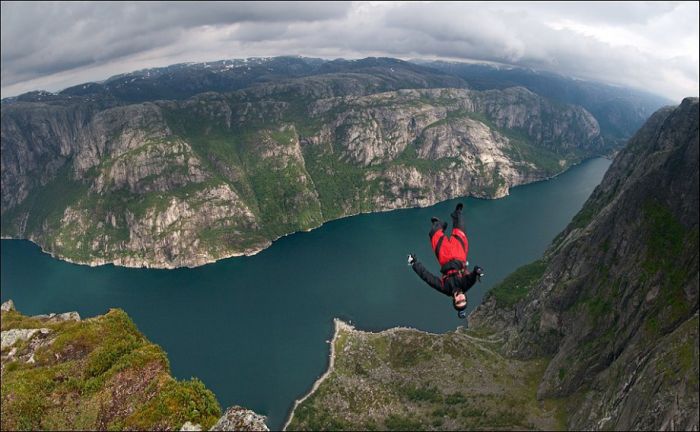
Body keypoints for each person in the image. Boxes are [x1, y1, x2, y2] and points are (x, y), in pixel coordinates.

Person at [408, 203, 484, 318]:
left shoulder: (445, 288)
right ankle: (456, 213)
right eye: (463, 300)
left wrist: (414, 263)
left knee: (434, 234)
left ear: (454, 301)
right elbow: (474, 274)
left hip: (444, 257)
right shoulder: (465, 285)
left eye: (458, 302)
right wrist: (478, 271)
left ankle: (439, 224)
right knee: (459, 230)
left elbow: (428, 278)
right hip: (459, 256)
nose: (460, 298)